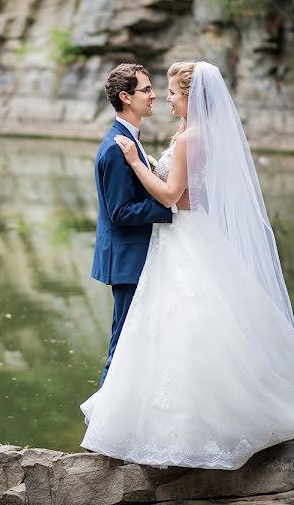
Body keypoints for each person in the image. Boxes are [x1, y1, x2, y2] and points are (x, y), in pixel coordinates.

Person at [80, 61, 294, 469]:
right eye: (154, 90)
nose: (163, 96)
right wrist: (168, 197)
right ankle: (125, 425)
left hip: (180, 240)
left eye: (170, 91)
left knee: (182, 331)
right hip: (164, 245)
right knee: (161, 334)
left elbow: (173, 196)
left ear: (190, 96)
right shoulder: (157, 139)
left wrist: (142, 167)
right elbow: (138, 207)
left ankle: (149, 428)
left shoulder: (188, 138)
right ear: (127, 97)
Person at [91, 63, 176, 387]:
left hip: (138, 256)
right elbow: (121, 212)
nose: (154, 96)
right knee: (123, 344)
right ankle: (100, 425)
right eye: (146, 90)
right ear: (126, 97)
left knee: (137, 342)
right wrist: (170, 209)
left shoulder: (130, 139)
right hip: (127, 260)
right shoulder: (116, 148)